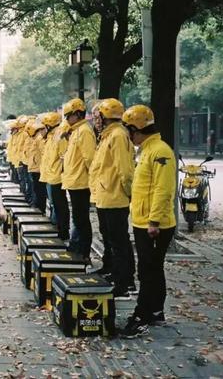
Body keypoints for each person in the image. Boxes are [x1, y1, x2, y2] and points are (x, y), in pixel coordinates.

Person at [120, 105, 176, 338]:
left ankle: (141, 316)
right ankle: (155, 311)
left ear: (137, 129)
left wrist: (154, 221)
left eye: (129, 131)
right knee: (153, 268)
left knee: (148, 271)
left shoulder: (160, 151)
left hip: (154, 225)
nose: (128, 136)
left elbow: (163, 190)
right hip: (144, 220)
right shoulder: (146, 150)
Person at [88, 98, 136, 299]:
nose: (95, 120)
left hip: (115, 196)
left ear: (106, 116)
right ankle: (111, 270)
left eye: (98, 115)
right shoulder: (107, 135)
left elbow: (125, 171)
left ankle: (124, 280)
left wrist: (126, 193)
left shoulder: (117, 136)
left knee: (119, 241)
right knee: (109, 237)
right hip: (105, 195)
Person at [61, 99, 96, 260]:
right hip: (75, 181)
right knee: (78, 218)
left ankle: (84, 252)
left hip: (81, 182)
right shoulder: (76, 131)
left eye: (68, 116)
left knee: (82, 219)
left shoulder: (84, 131)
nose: (66, 119)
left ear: (77, 114)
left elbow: (89, 158)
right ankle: (78, 247)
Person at [39, 111, 68, 237]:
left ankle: (63, 231)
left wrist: (62, 174)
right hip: (51, 176)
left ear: (50, 125)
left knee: (60, 205)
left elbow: (63, 157)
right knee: (55, 204)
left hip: (57, 177)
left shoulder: (59, 136)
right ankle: (59, 228)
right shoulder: (51, 137)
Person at [26, 118, 48, 213]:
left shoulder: (39, 139)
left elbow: (44, 153)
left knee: (40, 191)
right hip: (34, 168)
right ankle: (38, 207)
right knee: (37, 190)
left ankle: (40, 209)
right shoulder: (35, 138)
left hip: (38, 169)